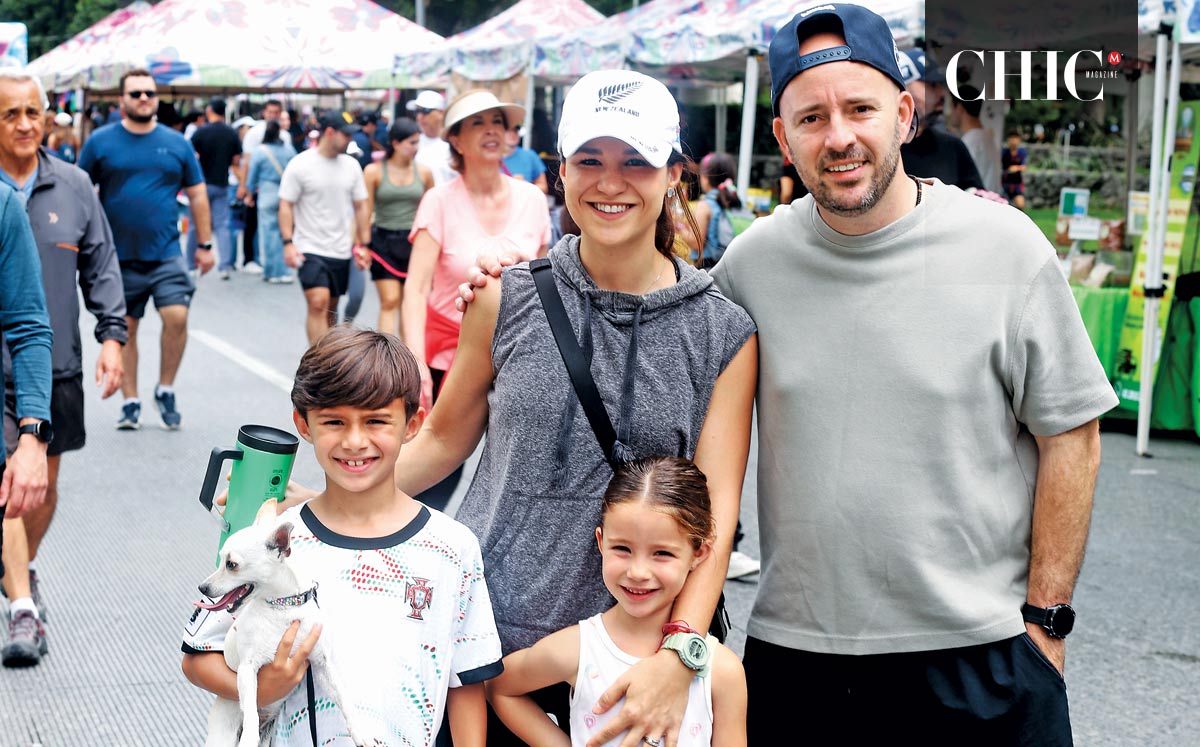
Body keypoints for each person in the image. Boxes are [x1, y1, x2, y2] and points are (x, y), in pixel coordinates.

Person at [715, 6, 1116, 742]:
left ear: (904, 113)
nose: (838, 137)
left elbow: (1073, 436)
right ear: (782, 137)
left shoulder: (1004, 249)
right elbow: (659, 364)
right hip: (800, 660)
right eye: (810, 117)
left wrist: (1045, 625)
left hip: (983, 659)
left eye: (860, 108)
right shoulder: (750, 266)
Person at [400, 70, 757, 746]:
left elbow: (717, 511)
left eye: (636, 161)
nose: (610, 182)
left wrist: (679, 652)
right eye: (589, 160)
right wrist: (325, 502)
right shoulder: (506, 297)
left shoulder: (723, 332)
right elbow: (441, 442)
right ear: (560, 170)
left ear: (673, 172)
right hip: (484, 644)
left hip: (632, 665)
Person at [182, 325, 502, 746]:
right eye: (334, 421)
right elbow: (196, 659)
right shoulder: (271, 541)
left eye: (376, 421)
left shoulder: (451, 547)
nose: (355, 441)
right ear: (304, 423)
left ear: (413, 423)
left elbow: (467, 680)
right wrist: (268, 688)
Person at [487, 456, 747, 747]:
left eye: (662, 553)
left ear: (698, 553)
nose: (637, 572)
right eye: (622, 548)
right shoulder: (577, 648)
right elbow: (500, 687)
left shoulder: (723, 672)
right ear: (601, 541)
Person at [0, 70, 127, 668]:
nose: (24, 124)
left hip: (54, 363)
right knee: (5, 492)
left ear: (48, 117)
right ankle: (21, 601)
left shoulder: (74, 185)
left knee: (39, 486)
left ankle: (19, 572)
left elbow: (100, 263)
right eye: (10, 114)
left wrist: (112, 337)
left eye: (33, 112)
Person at [401, 90, 550, 511]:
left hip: (515, 359)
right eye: (478, 123)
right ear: (456, 141)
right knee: (431, 477)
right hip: (445, 356)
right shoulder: (439, 200)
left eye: (499, 122)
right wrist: (415, 362)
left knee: (511, 475)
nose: (492, 131)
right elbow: (415, 288)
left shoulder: (533, 200)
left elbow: (543, 287)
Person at [77, 67, 215, 431]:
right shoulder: (101, 142)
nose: (143, 99)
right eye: (135, 93)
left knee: (177, 317)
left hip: (167, 252)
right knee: (126, 328)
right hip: (116, 257)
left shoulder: (176, 143)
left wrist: (205, 243)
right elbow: (79, 189)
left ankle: (165, 388)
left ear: (157, 99)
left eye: (149, 94)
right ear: (121, 99)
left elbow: (198, 193)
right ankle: (131, 400)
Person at [278, 111, 371, 344]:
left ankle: (329, 359)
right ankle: (318, 363)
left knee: (331, 307)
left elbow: (361, 207)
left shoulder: (351, 166)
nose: (350, 139)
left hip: (340, 249)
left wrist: (364, 245)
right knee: (318, 302)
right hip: (309, 247)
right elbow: (286, 204)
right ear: (329, 133)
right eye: (346, 134)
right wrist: (288, 243)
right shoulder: (300, 164)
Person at [363, 118, 431, 337]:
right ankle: (386, 357)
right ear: (395, 143)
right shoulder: (374, 171)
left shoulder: (424, 172)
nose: (416, 148)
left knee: (409, 304)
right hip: (383, 241)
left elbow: (432, 211)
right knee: (390, 300)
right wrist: (362, 245)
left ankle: (405, 359)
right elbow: (365, 210)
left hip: (415, 244)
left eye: (417, 142)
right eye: (411, 142)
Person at [897, 47, 984, 190]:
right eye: (931, 85)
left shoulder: (953, 147)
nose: (943, 92)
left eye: (942, 85)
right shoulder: (882, 147)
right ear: (903, 88)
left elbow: (978, 198)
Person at [186, 97, 242, 280]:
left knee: (195, 225)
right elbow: (235, 162)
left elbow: (190, 156)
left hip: (200, 185)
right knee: (222, 225)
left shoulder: (201, 132)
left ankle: (190, 265)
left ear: (210, 110)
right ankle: (224, 265)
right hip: (222, 184)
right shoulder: (231, 133)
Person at [245, 118, 298, 284]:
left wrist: (249, 194)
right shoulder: (289, 149)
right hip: (286, 195)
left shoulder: (259, 151)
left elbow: (251, 177)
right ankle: (285, 270)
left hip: (267, 194)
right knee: (286, 234)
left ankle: (271, 271)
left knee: (268, 233)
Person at [237, 99, 285, 274]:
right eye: (271, 112)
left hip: (271, 189)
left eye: (276, 112)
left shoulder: (284, 135)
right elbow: (247, 162)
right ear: (264, 112)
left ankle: (270, 265)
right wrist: (246, 187)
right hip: (262, 188)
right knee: (256, 226)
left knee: (268, 228)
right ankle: (253, 259)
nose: (273, 115)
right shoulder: (254, 133)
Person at [682, 153, 741, 270]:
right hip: (733, 266)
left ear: (705, 178)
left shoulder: (706, 205)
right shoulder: (737, 201)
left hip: (709, 269)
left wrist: (679, 229)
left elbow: (696, 243)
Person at [948, 85, 1003, 193]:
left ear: (959, 109)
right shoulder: (987, 138)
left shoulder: (970, 143)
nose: (949, 113)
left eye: (951, 107)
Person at [408, 90, 457, 186]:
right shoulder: (412, 143)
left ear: (441, 113)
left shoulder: (455, 144)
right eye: (417, 111)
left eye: (425, 111)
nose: (419, 116)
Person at [502, 124, 548, 193]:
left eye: (515, 130)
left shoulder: (530, 156)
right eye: (508, 131)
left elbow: (544, 188)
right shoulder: (487, 157)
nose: (513, 134)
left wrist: (525, 185)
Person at [1003, 129, 1029, 210]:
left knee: (1020, 205)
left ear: (1019, 140)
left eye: (1015, 138)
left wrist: (1015, 168)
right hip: (1005, 183)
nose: (1013, 140)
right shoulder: (1004, 152)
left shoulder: (1022, 152)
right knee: (1003, 205)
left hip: (1017, 183)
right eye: (1011, 138)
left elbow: (1024, 167)